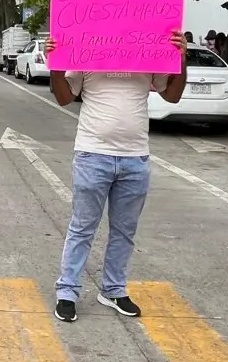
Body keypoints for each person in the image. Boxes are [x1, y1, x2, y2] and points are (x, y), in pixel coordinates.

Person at [47, 30, 187, 322]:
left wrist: (180, 59)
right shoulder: (85, 52)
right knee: (83, 227)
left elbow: (172, 95)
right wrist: (56, 62)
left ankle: (113, 289)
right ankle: (67, 292)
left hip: (135, 157)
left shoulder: (148, 52)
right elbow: (63, 97)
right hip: (92, 154)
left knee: (124, 231)